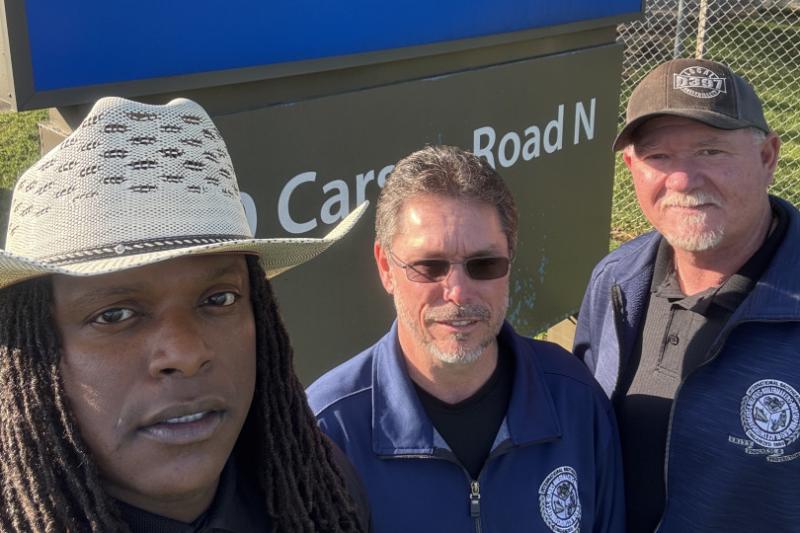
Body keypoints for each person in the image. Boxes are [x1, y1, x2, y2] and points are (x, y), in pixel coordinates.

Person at [0, 96, 371, 532]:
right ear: (28, 355)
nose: (186, 353)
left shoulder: (320, 492)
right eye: (115, 314)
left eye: (219, 299)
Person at [307, 145, 624, 533]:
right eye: (429, 266)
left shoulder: (575, 401)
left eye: (484, 264)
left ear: (510, 262)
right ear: (386, 268)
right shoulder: (328, 432)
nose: (457, 292)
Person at [574, 58, 800, 532]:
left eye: (711, 151)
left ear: (767, 157)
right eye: (658, 157)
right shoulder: (614, 282)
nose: (682, 179)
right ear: (632, 167)